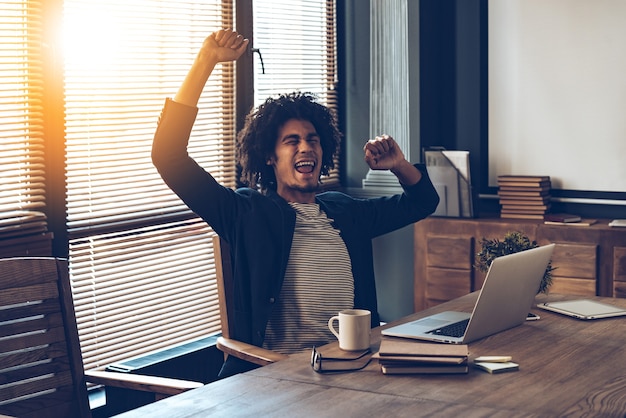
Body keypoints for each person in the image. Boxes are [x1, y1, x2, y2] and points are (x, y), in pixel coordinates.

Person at [152, 29, 440, 377]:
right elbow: (168, 156)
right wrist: (205, 61)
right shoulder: (246, 212)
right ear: (269, 157)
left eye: (313, 140)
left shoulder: (346, 212)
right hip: (274, 376)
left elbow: (423, 202)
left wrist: (399, 165)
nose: (306, 148)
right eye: (292, 141)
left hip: (352, 370)